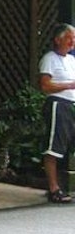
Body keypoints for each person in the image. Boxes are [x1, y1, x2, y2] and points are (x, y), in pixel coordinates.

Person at [38, 22, 75, 203]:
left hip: (72, 105)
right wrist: (69, 85)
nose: (72, 42)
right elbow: (45, 85)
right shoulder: (49, 58)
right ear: (58, 39)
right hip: (58, 105)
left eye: (73, 38)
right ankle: (54, 189)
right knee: (54, 147)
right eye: (69, 38)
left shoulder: (71, 60)